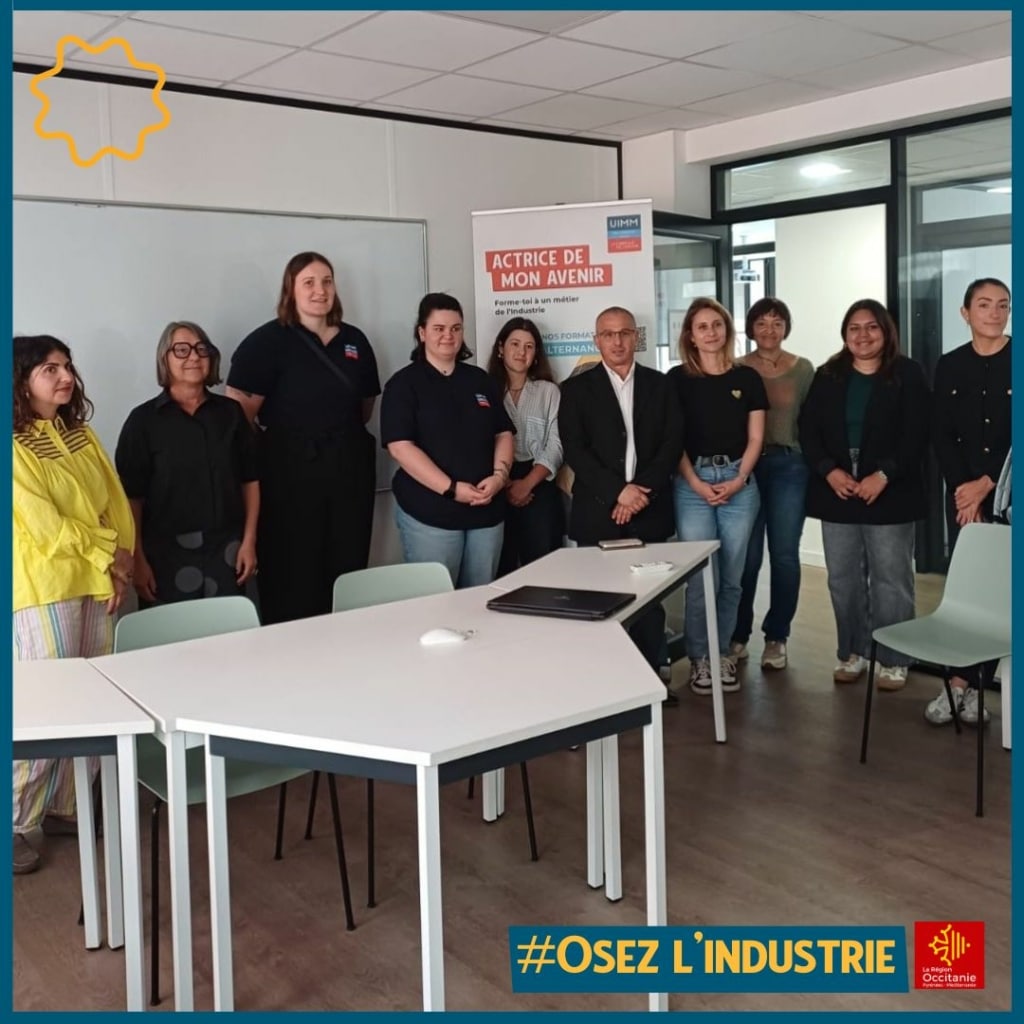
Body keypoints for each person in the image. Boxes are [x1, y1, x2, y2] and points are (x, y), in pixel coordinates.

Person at [12, 335, 135, 875]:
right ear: (20, 380)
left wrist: (118, 562)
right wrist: (108, 553)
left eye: (66, 366)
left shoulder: (79, 433)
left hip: (97, 579)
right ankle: (14, 821)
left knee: (89, 702)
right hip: (44, 587)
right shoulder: (13, 444)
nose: (64, 376)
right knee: (44, 708)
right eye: (49, 368)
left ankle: (65, 806)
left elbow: (114, 501)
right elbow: (43, 523)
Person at [225, 251, 380, 624]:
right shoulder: (265, 343)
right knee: (292, 577)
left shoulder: (355, 341)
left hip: (348, 479)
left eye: (326, 281)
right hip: (288, 483)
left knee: (347, 573)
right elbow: (238, 414)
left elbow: (365, 408)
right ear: (290, 290)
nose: (319, 290)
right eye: (308, 282)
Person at [798, 299, 930, 690]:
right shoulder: (828, 375)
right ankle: (852, 651)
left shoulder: (908, 373)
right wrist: (829, 470)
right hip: (837, 490)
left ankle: (894, 657)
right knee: (843, 579)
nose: (863, 335)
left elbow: (917, 432)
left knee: (892, 579)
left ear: (886, 331)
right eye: (854, 328)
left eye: (871, 327)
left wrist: (884, 474)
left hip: (891, 490)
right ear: (845, 335)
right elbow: (808, 430)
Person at [558, 306, 684, 703]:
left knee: (648, 600)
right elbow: (575, 450)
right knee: (599, 599)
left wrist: (638, 492)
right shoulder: (575, 389)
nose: (617, 341)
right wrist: (618, 493)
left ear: (636, 337)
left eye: (625, 333)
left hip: (649, 508)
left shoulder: (660, 385)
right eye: (608, 334)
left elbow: (672, 443)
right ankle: (606, 685)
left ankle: (650, 681)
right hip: (598, 510)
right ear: (596, 340)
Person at [115, 322, 259, 607]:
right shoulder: (143, 421)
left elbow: (250, 480)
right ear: (164, 359)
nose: (193, 356)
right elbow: (131, 498)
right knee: (173, 632)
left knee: (230, 628)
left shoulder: (230, 413)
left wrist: (250, 541)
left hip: (227, 548)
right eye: (181, 350)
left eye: (201, 349)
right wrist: (138, 558)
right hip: (164, 554)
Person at [380, 293, 514, 588]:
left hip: (486, 513)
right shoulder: (403, 385)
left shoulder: (480, 380)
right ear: (422, 332)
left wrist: (499, 477)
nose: (448, 336)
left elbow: (503, 432)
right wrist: (451, 489)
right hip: (431, 515)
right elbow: (400, 447)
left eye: (456, 328)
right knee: (436, 603)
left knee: (480, 600)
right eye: (439, 328)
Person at [668, 298, 767, 695]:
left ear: (727, 329)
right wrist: (694, 482)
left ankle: (721, 651)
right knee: (700, 577)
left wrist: (740, 478)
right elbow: (672, 440)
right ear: (690, 336)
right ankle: (699, 658)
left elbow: (756, 437)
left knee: (731, 577)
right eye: (702, 326)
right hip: (692, 484)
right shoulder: (677, 380)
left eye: (717, 324)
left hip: (739, 483)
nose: (711, 332)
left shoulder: (748, 378)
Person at [925, 277, 1011, 726]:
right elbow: (942, 433)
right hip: (963, 497)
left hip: (1009, 494)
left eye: (1003, 305)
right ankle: (960, 684)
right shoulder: (950, 364)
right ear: (965, 313)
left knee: (1001, 591)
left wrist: (987, 483)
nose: (994, 313)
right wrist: (964, 490)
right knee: (967, 591)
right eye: (984, 304)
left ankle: (974, 684)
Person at [729, 298, 814, 672]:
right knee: (746, 557)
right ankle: (737, 635)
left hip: (789, 467)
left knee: (784, 554)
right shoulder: (736, 368)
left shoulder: (803, 369)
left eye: (777, 322)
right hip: (746, 467)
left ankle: (777, 636)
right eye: (762, 322)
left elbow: (812, 422)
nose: (769, 330)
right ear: (750, 327)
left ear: (786, 327)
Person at [485, 317, 564, 575]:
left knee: (544, 568)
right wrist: (506, 483)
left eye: (529, 346)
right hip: (496, 483)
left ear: (536, 354)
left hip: (539, 481)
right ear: (501, 348)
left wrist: (526, 484)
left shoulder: (548, 391)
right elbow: (479, 441)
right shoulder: (485, 390)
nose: (522, 352)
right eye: (515, 344)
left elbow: (556, 444)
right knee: (501, 569)